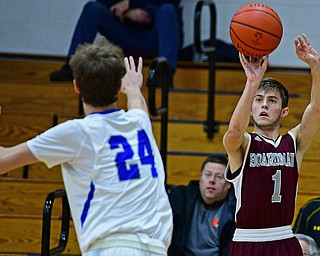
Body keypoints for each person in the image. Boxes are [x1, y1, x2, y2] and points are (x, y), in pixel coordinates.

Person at [0, 37, 173, 255]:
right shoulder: (139, 124)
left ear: (76, 86)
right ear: (119, 86)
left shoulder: (79, 132)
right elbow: (137, 105)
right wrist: (133, 88)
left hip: (112, 247)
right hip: (156, 248)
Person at [222, 33, 320, 256]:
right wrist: (252, 83)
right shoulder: (245, 144)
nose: (264, 105)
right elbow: (233, 133)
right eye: (259, 100)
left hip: (284, 237)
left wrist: (315, 67)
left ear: (284, 111)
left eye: (272, 100)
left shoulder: (293, 142)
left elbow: (316, 110)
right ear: (252, 107)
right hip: (248, 240)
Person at [50, 0, 182, 88]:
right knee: (92, 8)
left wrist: (132, 3)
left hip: (154, 34)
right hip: (122, 32)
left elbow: (171, 2)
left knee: (168, 11)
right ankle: (73, 67)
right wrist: (127, 11)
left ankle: (163, 73)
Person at [167, 154, 236, 256]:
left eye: (219, 177)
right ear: (200, 178)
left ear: (229, 184)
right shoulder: (181, 199)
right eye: (208, 174)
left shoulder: (235, 209)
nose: (212, 180)